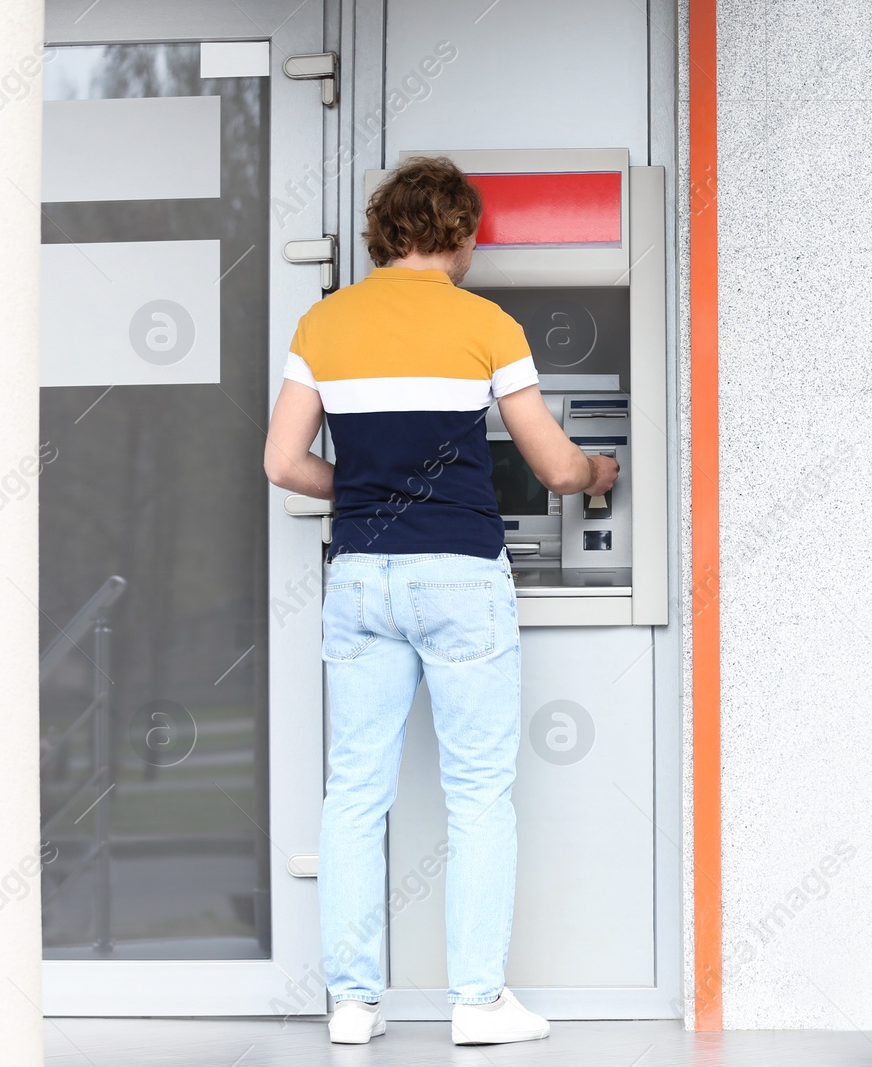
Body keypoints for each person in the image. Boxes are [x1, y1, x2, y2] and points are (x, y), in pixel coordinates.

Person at [263, 155, 618, 1046]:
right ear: (458, 235)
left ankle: (351, 1004)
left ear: (385, 235)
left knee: (354, 793)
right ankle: (478, 1001)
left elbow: (280, 463)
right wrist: (599, 470)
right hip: (461, 575)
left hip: (362, 575)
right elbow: (553, 465)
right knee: (478, 792)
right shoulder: (486, 324)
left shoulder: (325, 321)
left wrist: (362, 489)